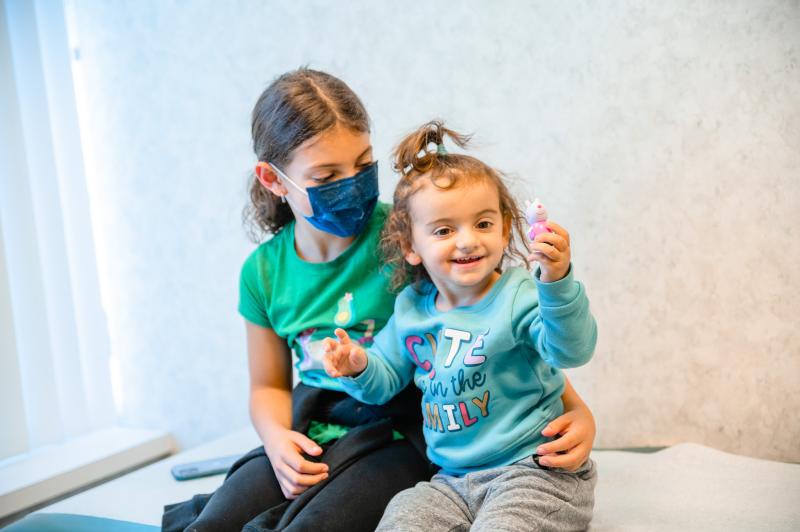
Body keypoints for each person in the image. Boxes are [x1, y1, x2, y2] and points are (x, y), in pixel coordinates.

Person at [162, 69, 596, 532]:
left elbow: (489, 324)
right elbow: (268, 385)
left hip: (393, 424)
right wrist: (276, 440)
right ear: (274, 180)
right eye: (327, 176)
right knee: (216, 522)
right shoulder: (265, 272)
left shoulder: (415, 234)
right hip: (314, 422)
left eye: (364, 165)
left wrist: (577, 410)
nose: (352, 184)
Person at [323, 121, 599, 531]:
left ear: (506, 229)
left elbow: (571, 350)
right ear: (410, 247)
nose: (467, 241)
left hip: (535, 470)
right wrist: (358, 365)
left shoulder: (518, 295)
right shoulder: (412, 309)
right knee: (401, 519)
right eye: (444, 230)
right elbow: (383, 381)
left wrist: (556, 283)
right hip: (450, 481)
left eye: (483, 224)